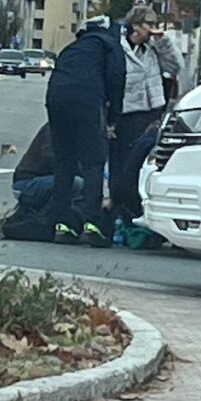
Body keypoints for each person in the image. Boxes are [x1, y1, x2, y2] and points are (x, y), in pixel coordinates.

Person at [45, 15, 126, 247]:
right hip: (88, 101)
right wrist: (113, 118)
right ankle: (92, 223)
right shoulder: (111, 45)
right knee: (93, 161)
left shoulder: (71, 48)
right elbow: (116, 79)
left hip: (56, 100)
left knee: (64, 162)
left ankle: (62, 223)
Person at [109, 6, 182, 212]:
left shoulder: (153, 47)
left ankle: (135, 206)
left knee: (141, 163)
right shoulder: (118, 46)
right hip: (126, 112)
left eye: (154, 24)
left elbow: (175, 67)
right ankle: (118, 206)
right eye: (148, 24)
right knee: (122, 163)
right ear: (135, 25)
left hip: (150, 110)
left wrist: (163, 42)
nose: (153, 29)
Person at [2, 123, 84, 242]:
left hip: (45, 181)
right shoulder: (55, 126)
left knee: (78, 185)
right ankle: (45, 220)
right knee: (75, 183)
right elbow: (52, 159)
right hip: (26, 183)